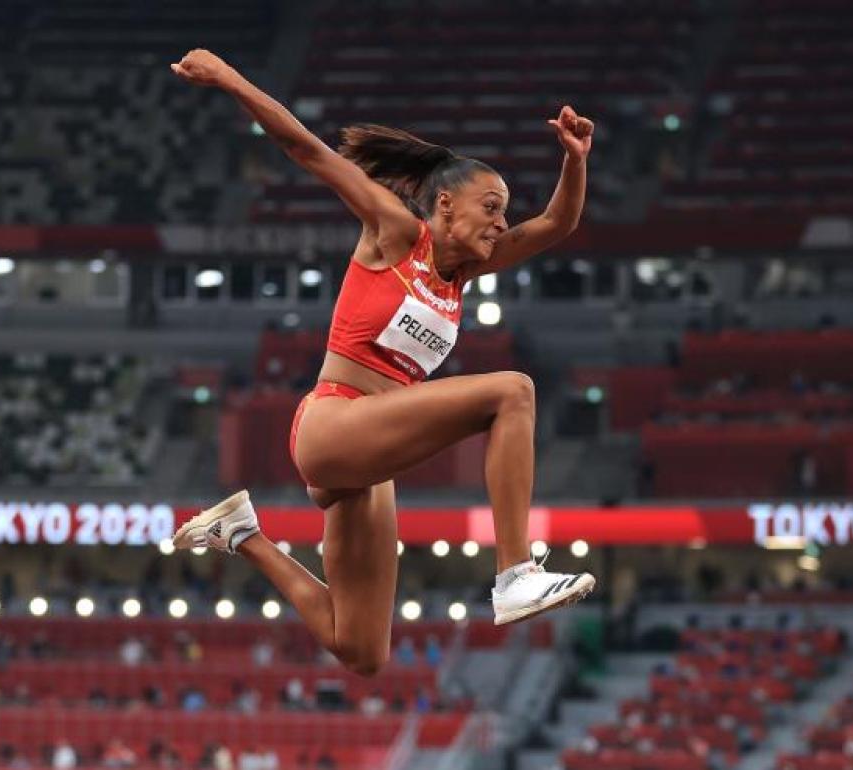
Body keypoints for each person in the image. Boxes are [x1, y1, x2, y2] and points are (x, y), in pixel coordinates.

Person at [169, 49, 596, 676]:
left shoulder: (463, 273)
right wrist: (229, 78)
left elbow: (556, 223)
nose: (501, 222)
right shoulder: (395, 231)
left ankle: (239, 533)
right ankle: (515, 574)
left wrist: (575, 159)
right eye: (491, 207)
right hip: (333, 424)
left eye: (504, 212)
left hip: (367, 461)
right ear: (445, 205)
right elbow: (308, 150)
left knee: (361, 648)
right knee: (513, 391)